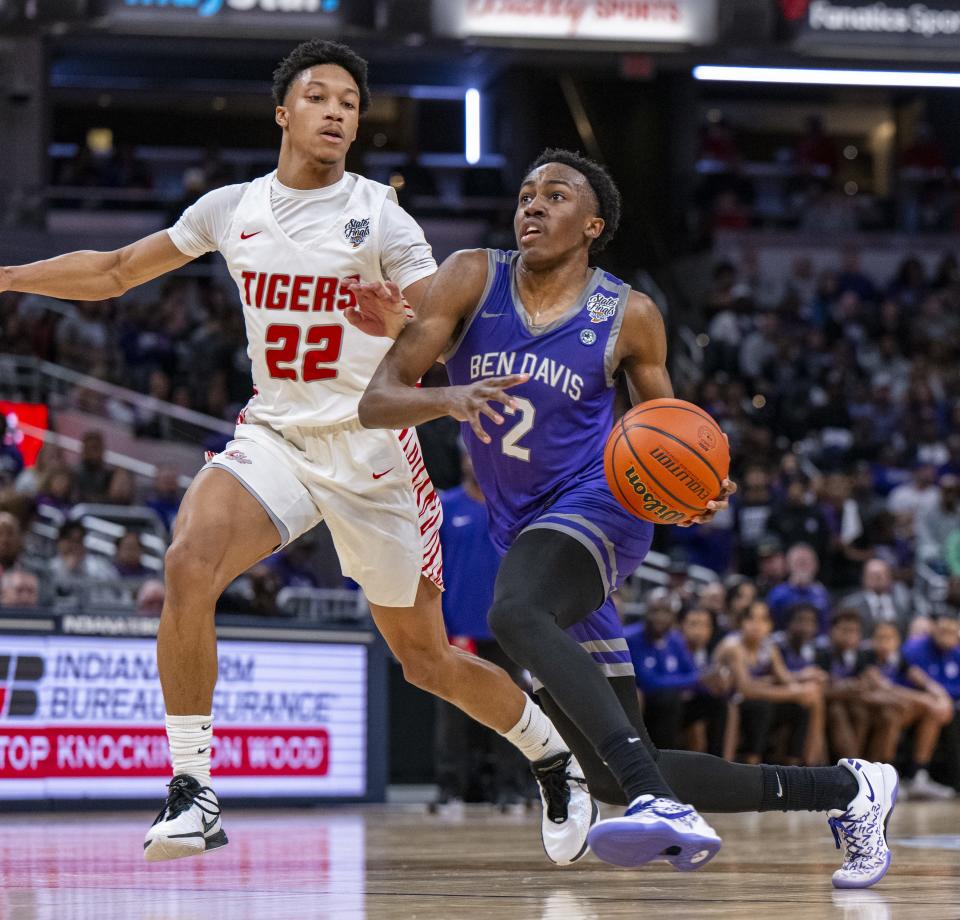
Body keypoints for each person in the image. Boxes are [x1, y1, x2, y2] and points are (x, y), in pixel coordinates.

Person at [0, 41, 588, 867]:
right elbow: (114, 271)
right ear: (285, 114)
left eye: (351, 101)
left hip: (372, 452)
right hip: (276, 434)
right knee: (187, 562)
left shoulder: (384, 217)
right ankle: (193, 790)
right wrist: (10, 276)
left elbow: (443, 344)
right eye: (320, 97)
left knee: (426, 664)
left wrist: (395, 327)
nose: (339, 112)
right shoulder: (229, 208)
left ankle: (552, 754)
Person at [355, 148, 897, 886]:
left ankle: (658, 803)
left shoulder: (630, 315)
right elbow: (377, 400)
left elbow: (668, 431)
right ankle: (849, 790)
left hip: (600, 508)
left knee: (513, 612)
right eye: (525, 195)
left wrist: (699, 488)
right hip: (524, 530)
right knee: (609, 766)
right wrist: (444, 398)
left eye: (555, 196)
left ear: (593, 225)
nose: (533, 207)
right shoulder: (471, 277)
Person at [861, 621, 955, 800]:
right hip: (869, 710)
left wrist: (940, 695)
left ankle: (918, 774)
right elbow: (886, 688)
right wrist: (926, 700)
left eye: (889, 638)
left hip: (894, 708)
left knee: (931, 713)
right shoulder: (866, 657)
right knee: (892, 716)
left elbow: (921, 679)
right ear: (872, 641)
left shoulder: (899, 659)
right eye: (880, 638)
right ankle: (883, 779)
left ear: (898, 642)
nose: (884, 643)